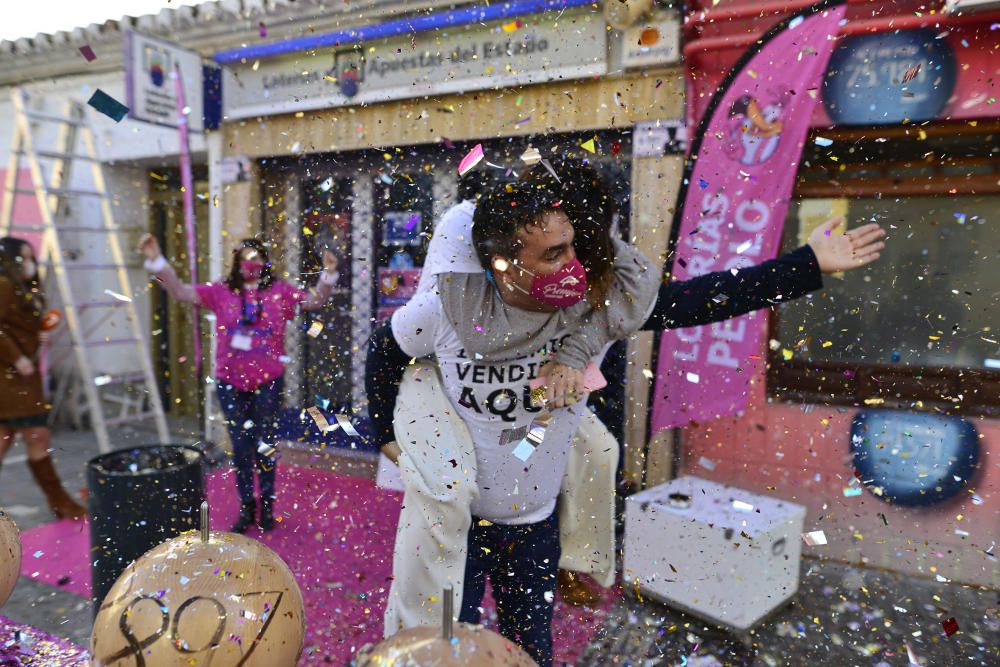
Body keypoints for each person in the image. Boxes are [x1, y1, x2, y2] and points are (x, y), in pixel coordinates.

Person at [368, 163, 886, 662]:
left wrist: (807, 264)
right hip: (460, 522)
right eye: (554, 252)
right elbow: (385, 352)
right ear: (505, 261)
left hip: (532, 526)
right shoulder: (450, 310)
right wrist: (385, 437)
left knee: (530, 647)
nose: (572, 268)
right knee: (443, 645)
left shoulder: (597, 308)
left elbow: (701, 299)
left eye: (577, 250)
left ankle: (578, 561)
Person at [138, 235, 339, 533]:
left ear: (265, 262)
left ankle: (267, 505)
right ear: (236, 261)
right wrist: (157, 260)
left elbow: (315, 301)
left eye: (257, 258)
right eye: (246, 257)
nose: (251, 264)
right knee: (241, 446)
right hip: (230, 382)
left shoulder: (280, 291)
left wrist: (329, 275)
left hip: (268, 381)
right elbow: (180, 292)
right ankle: (247, 505)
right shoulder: (220, 291)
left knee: (266, 445)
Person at [0, 237, 86, 519]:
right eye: (23, 259)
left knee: (19, 437)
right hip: (10, 378)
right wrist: (18, 356)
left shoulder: (24, 288)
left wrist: (40, 333)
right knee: (36, 435)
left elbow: (18, 325)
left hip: (22, 378)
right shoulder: (3, 285)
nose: (29, 264)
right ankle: (60, 502)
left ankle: (60, 502)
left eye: (31, 258)